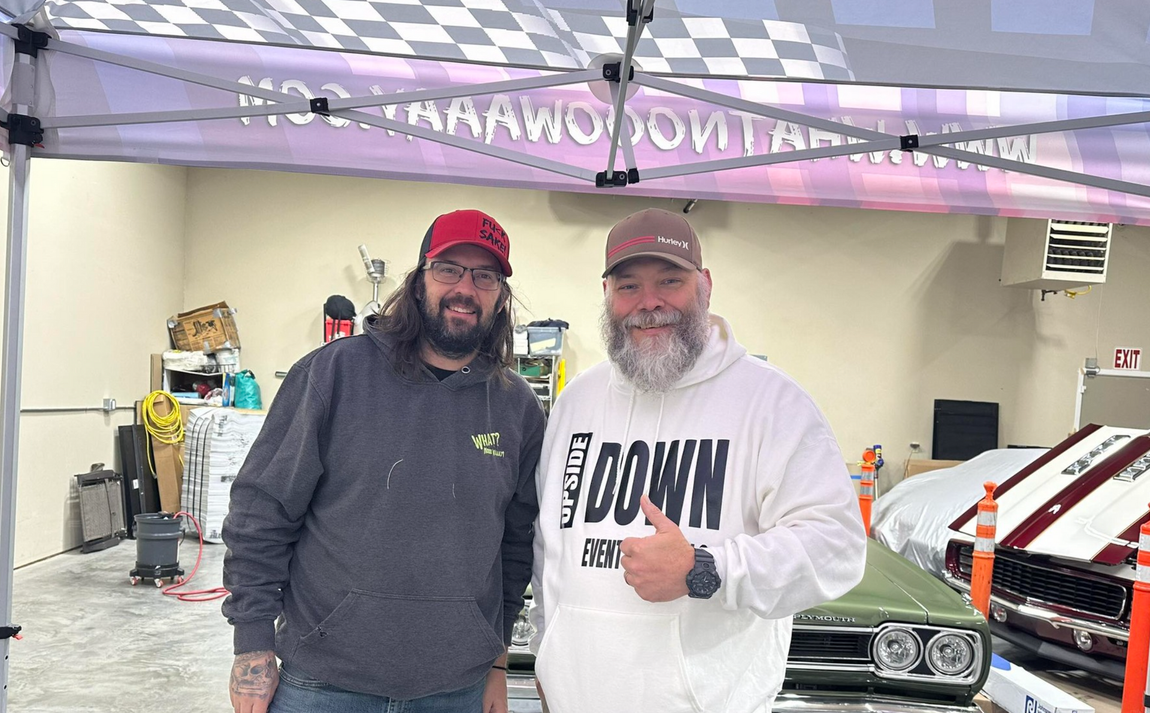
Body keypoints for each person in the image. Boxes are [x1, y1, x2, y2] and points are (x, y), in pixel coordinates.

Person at [529, 208, 867, 713]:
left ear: (704, 285)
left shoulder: (771, 403)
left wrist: (706, 568)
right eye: (629, 286)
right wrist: (546, 659)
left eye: (670, 280)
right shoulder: (577, 401)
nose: (649, 302)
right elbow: (549, 549)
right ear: (606, 294)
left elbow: (836, 547)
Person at [222, 209, 545, 713]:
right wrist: (253, 644)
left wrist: (497, 664)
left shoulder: (517, 406)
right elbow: (262, 511)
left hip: (456, 688)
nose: (465, 288)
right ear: (418, 281)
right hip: (324, 683)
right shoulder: (333, 374)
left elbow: (516, 544)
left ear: (501, 296)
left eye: (485, 276)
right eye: (449, 269)